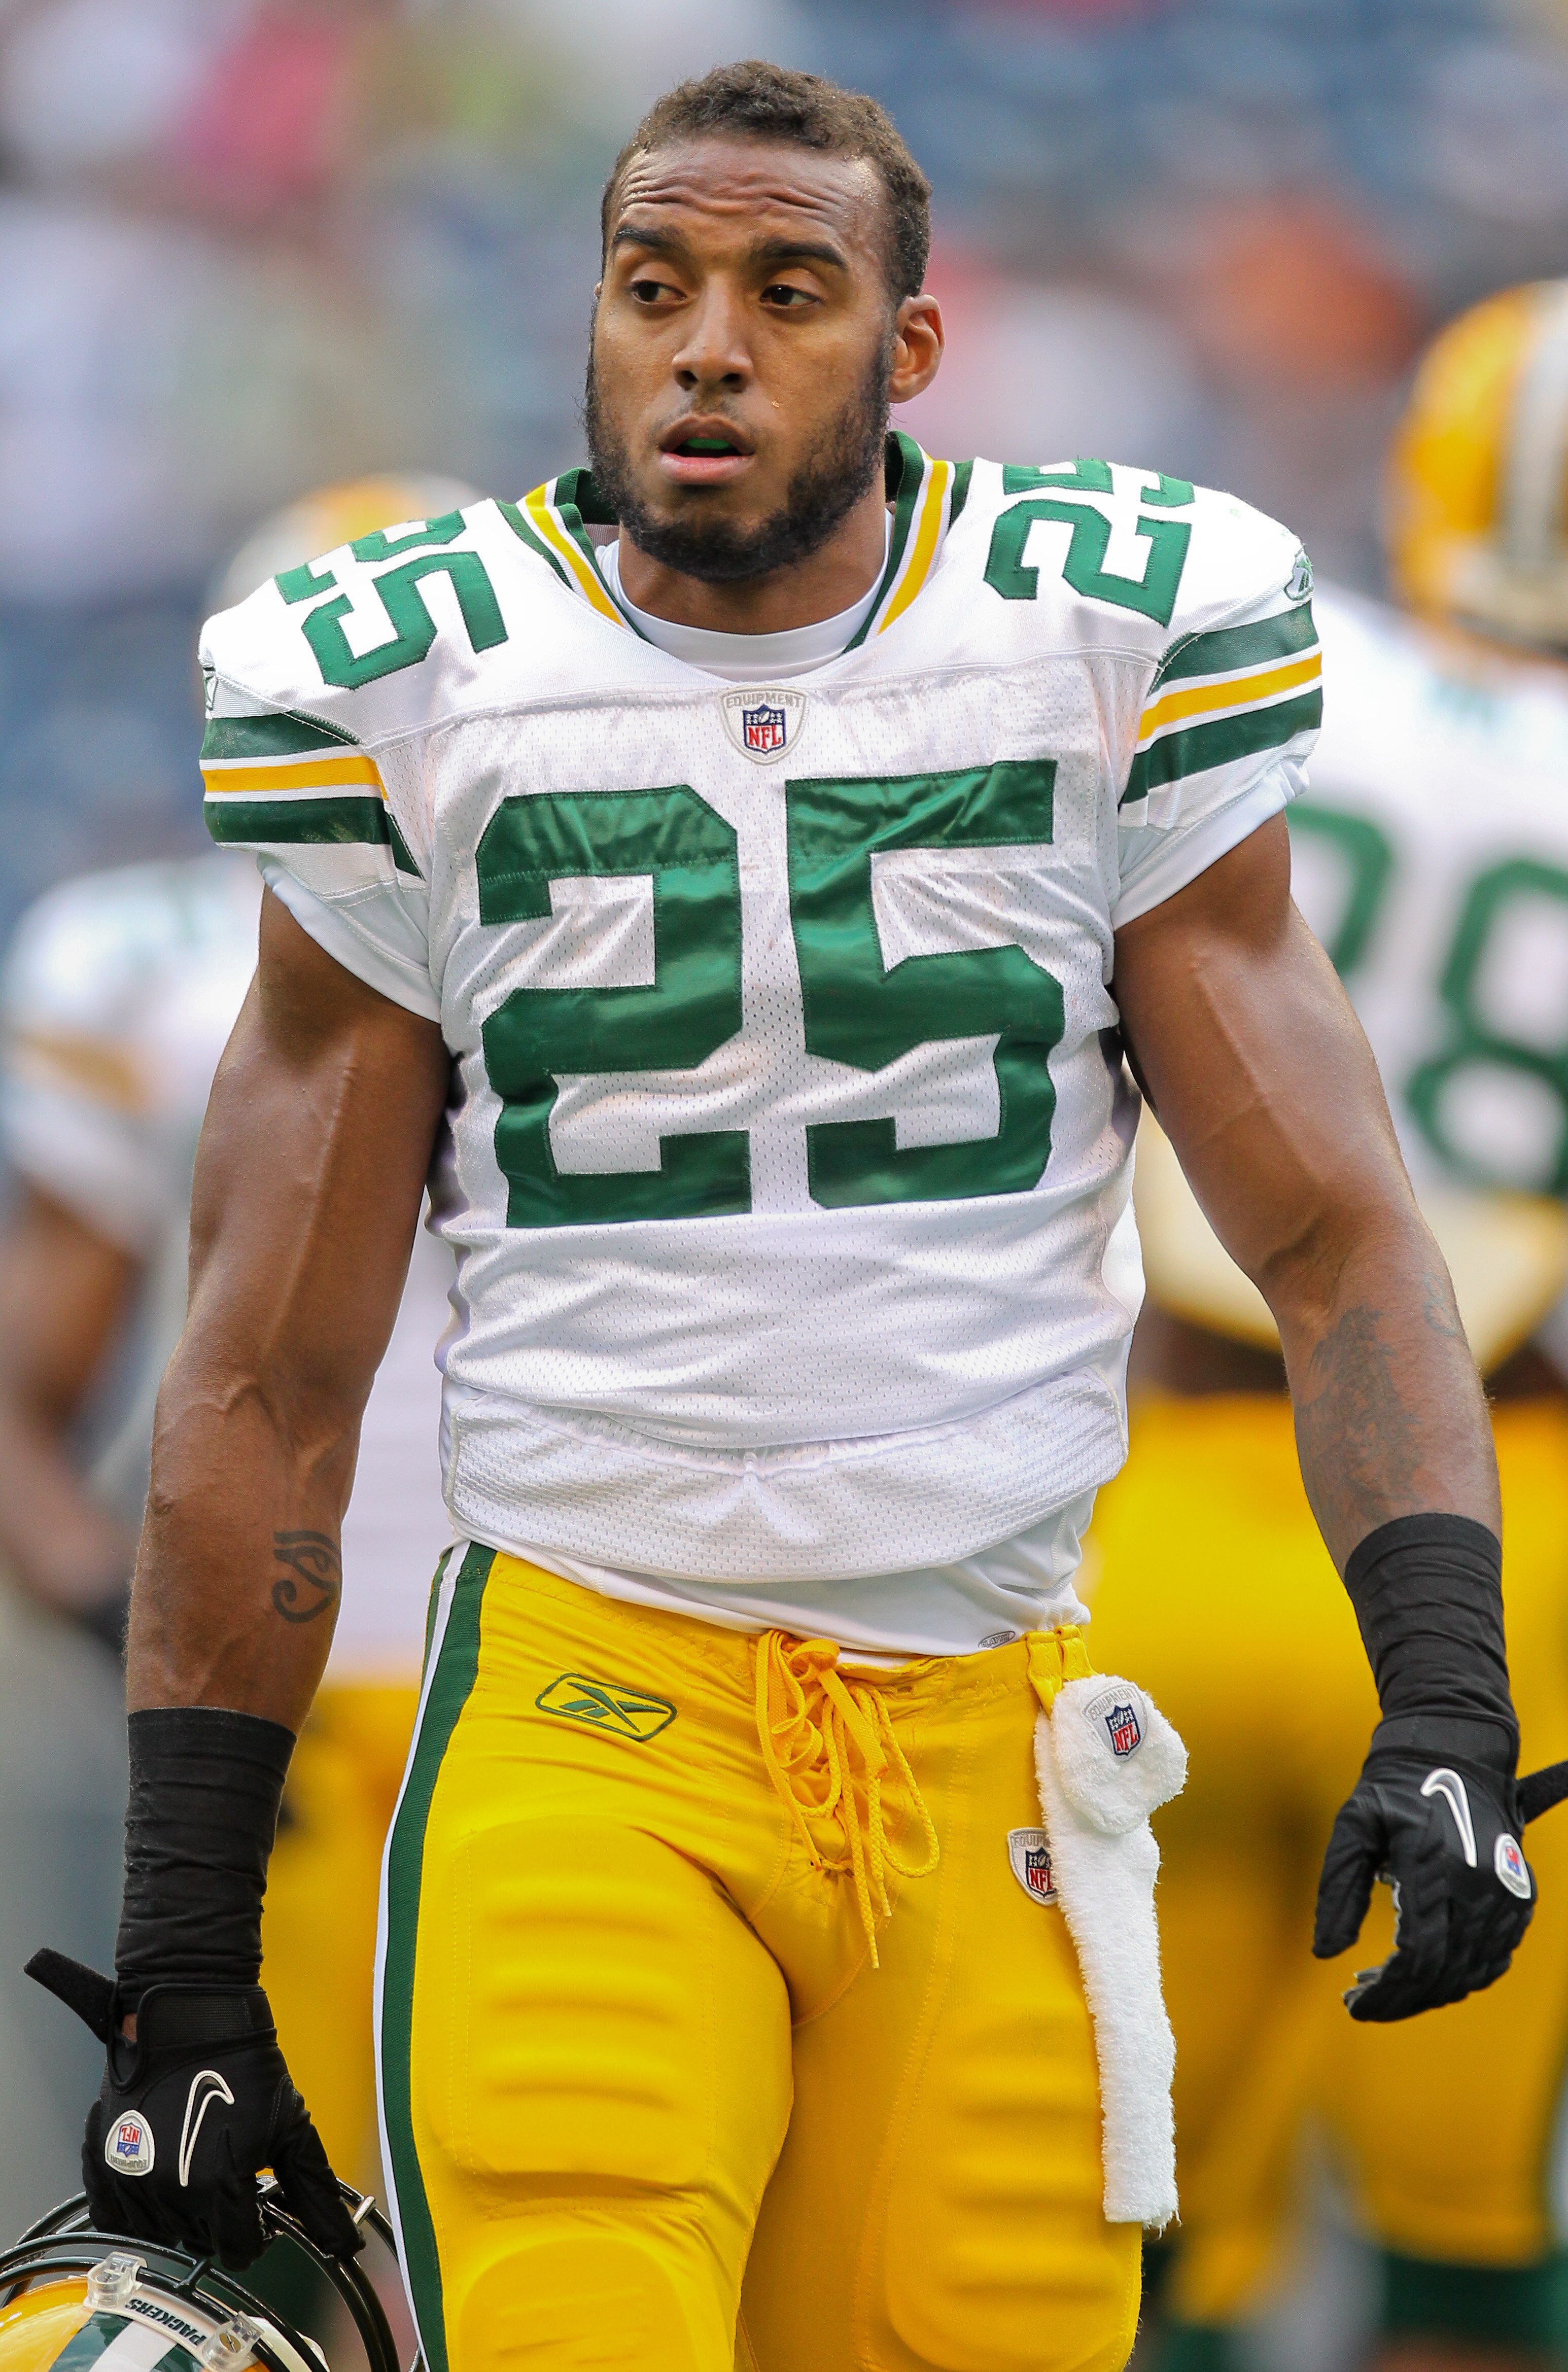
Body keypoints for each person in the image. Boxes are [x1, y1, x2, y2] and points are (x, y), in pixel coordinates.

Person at [24, 63, 1556, 2372]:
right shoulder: (411, 684)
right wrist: (183, 1951)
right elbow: (267, 1370)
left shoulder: (1100, 636)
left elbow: (1332, 1233)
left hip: (994, 1732)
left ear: (911, 346)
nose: (707, 349)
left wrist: (1441, 1686)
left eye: (784, 289)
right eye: (652, 286)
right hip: (584, 1707)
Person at [1088, 278, 1568, 2368]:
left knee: (1124, 2217)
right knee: (1456, 2235)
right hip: (1494, 1546)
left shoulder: (1271, 679)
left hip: (1150, 1507)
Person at [0, 478, 468, 2213]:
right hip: (304, 1709)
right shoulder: (140, 961)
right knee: (321, 2241)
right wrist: (123, 1629)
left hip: (589, 1658)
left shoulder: (612, 925)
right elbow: (23, 1391)